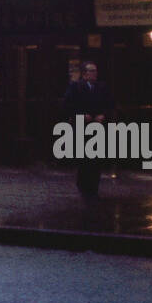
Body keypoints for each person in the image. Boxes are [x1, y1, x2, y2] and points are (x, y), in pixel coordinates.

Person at [63, 61, 115, 199]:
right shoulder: (75, 87)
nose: (94, 74)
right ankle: (83, 185)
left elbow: (110, 104)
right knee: (84, 158)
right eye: (91, 71)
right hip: (82, 126)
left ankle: (93, 187)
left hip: (97, 126)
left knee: (96, 158)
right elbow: (68, 105)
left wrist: (103, 115)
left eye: (95, 71)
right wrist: (81, 115)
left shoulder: (102, 87)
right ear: (85, 74)